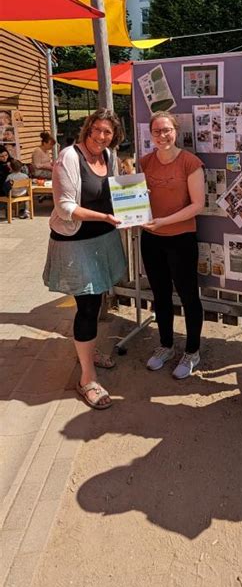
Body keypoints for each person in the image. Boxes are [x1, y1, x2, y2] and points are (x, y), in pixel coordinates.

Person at [43, 109, 127, 410]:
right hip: (75, 242)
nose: (102, 137)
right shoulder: (69, 156)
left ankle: (88, 354)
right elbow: (65, 205)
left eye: (108, 133)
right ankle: (86, 379)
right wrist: (104, 216)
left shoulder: (110, 156)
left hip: (102, 240)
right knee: (88, 306)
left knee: (98, 298)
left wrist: (134, 204)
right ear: (88, 129)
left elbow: (115, 193)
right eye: (98, 130)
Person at [140, 111, 205, 379]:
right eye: (157, 131)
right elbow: (135, 198)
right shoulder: (144, 162)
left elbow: (198, 205)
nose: (162, 136)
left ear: (176, 131)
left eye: (167, 130)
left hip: (181, 239)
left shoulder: (190, 162)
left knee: (189, 296)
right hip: (152, 238)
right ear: (151, 134)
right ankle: (165, 345)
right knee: (160, 295)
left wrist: (165, 221)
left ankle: (192, 351)